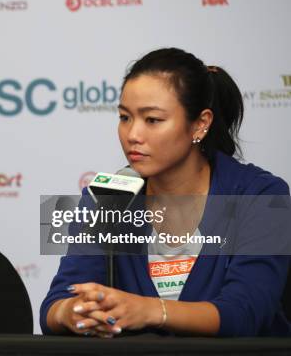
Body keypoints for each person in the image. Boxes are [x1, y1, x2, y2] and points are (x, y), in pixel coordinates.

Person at [41, 48, 291, 337]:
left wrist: (149, 310)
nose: (133, 134)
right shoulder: (106, 196)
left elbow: (243, 313)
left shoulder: (260, 194)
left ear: (200, 124)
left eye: (152, 120)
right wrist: (72, 312)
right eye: (124, 118)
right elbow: (53, 307)